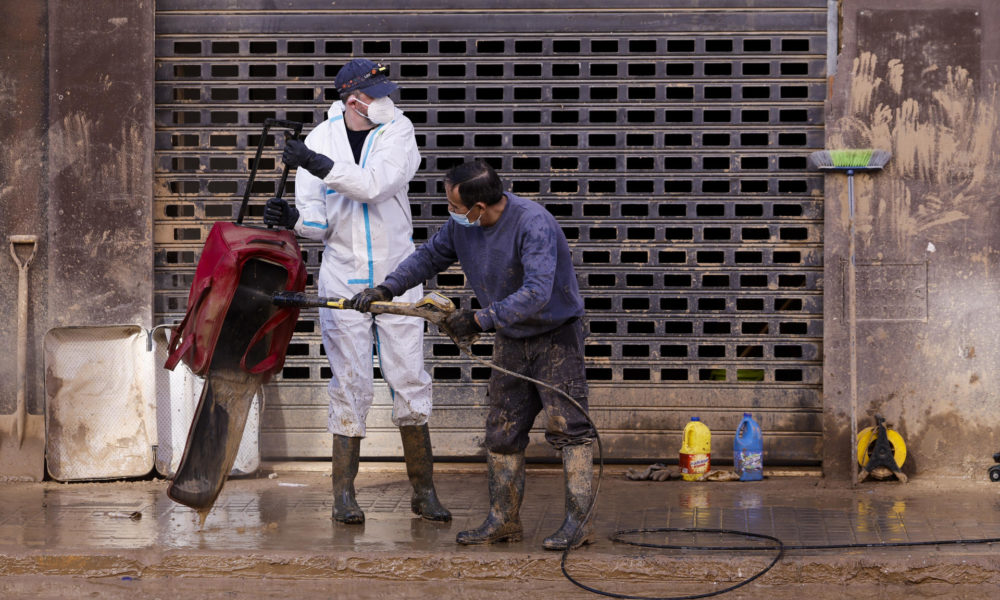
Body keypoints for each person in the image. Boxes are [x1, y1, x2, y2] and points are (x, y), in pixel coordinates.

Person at [352, 159, 597, 550]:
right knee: (501, 433)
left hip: (556, 338)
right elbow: (429, 257)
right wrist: (387, 288)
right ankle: (503, 520)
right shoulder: (461, 226)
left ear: (479, 208)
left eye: (455, 206)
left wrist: (481, 319)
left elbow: (536, 292)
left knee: (570, 431)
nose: (451, 213)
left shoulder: (532, 224)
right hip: (511, 340)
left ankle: (577, 523)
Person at [264, 58, 450, 524]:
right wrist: (293, 221)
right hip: (342, 277)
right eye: (377, 94)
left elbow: (374, 187)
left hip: (398, 275)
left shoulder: (398, 132)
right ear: (354, 100)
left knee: (408, 377)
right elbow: (318, 224)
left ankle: (423, 491)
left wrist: (319, 166)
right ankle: (343, 495)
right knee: (350, 383)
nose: (387, 100)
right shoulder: (318, 140)